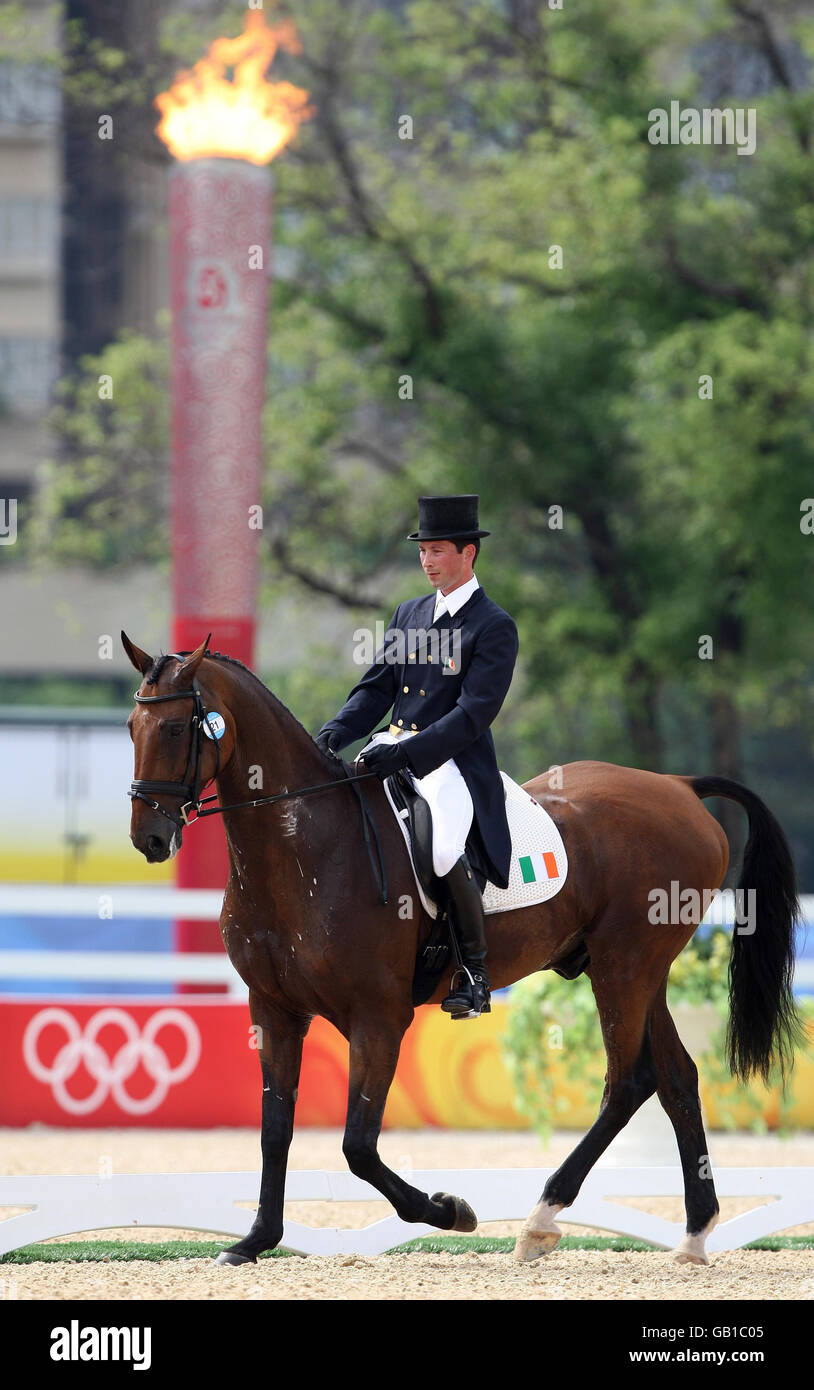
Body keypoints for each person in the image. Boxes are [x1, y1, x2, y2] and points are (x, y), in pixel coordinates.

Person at [316, 494, 519, 1019]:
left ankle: (474, 973)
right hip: (392, 748)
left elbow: (473, 715)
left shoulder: (492, 626)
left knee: (444, 849)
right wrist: (336, 733)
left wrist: (408, 755)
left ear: (468, 554)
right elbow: (377, 689)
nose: (427, 561)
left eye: (438, 551)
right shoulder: (409, 613)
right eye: (422, 551)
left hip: (450, 763)